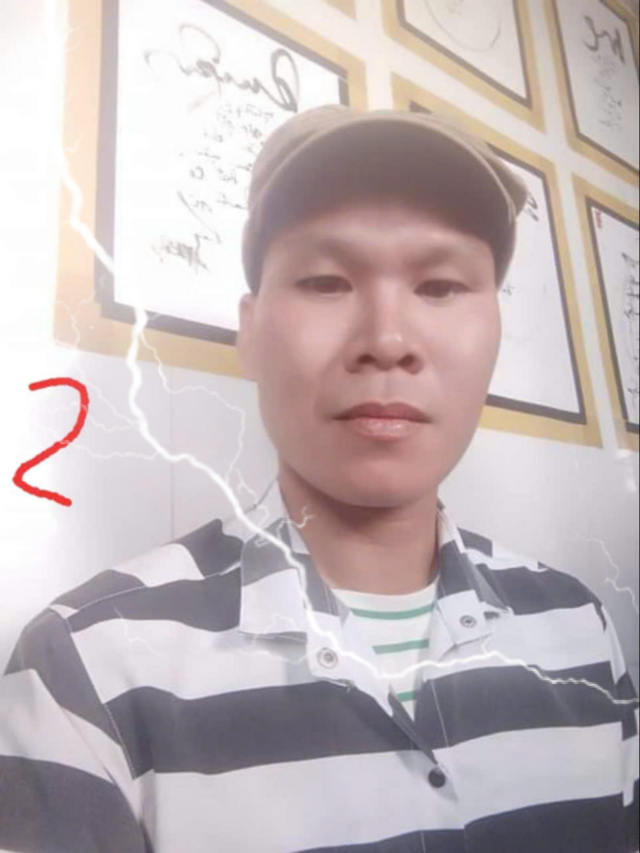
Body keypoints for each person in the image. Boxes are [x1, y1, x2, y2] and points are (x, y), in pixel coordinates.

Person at [0, 104, 638, 853]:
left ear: (494, 330)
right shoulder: (86, 669)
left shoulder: (581, 626)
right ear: (249, 329)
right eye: (327, 281)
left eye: (440, 287)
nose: (387, 341)